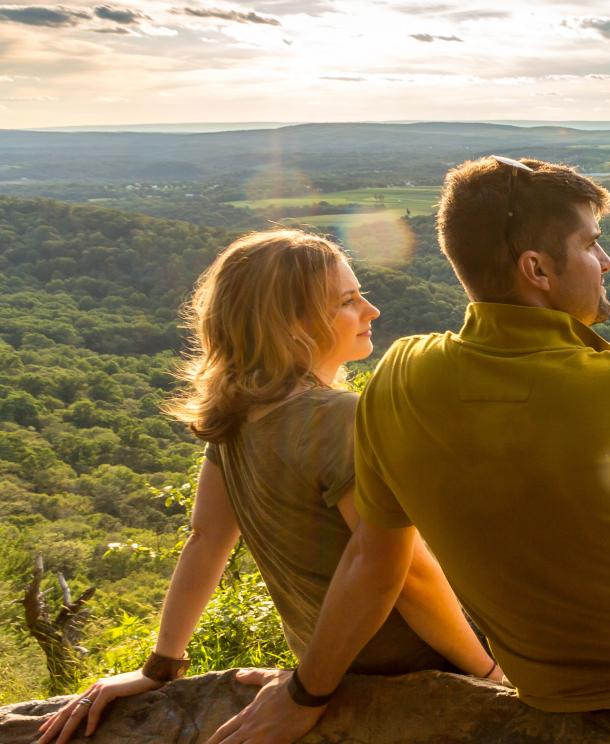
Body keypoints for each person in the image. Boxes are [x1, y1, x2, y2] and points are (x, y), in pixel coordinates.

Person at [205, 157, 610, 743]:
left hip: (548, 685)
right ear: (537, 269)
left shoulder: (400, 379)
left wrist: (305, 696)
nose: (608, 261)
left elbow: (375, 566)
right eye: (591, 244)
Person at [35, 230, 501, 744]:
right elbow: (403, 571)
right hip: (423, 660)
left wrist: (162, 665)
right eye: (348, 301)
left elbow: (206, 541)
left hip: (336, 667)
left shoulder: (237, 419)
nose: (371, 310)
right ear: (291, 326)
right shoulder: (343, 420)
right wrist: (486, 675)